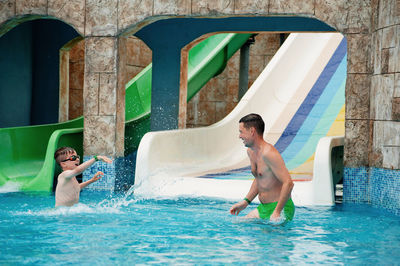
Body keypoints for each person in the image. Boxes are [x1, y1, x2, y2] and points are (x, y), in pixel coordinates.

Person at [230, 113, 295, 222]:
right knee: (239, 224)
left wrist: (277, 212)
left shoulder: (269, 153)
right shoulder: (251, 152)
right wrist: (246, 202)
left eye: (241, 132)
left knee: (267, 237)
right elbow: (260, 178)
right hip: (264, 208)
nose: (239, 136)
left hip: (281, 208)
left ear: (252, 131)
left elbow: (288, 183)